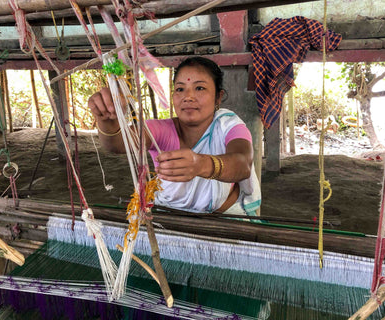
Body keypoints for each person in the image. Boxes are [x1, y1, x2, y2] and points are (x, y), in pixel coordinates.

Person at [88, 56, 261, 216]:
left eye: (199, 88)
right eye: (180, 89)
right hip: (170, 221)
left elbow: (242, 163)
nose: (188, 97)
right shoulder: (160, 130)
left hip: (222, 222)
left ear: (218, 97)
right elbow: (117, 144)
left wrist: (201, 165)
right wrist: (107, 120)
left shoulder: (227, 124)